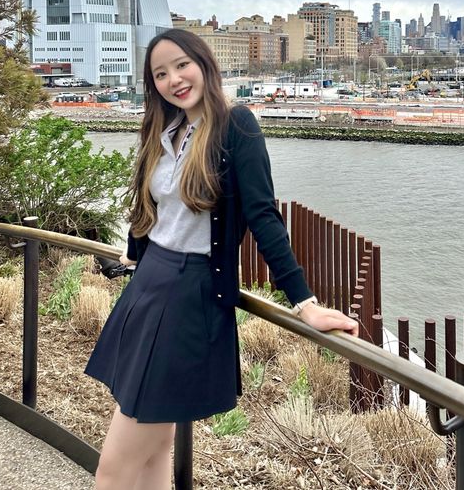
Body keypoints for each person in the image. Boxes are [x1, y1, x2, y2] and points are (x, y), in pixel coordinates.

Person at [85, 28, 358, 490]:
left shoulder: (237, 125)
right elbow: (153, 208)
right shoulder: (164, 128)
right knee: (153, 454)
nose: (174, 79)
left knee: (115, 468)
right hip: (148, 285)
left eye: (181, 65)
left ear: (203, 63)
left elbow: (263, 216)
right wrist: (134, 254)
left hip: (188, 296)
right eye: (161, 74)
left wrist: (304, 301)